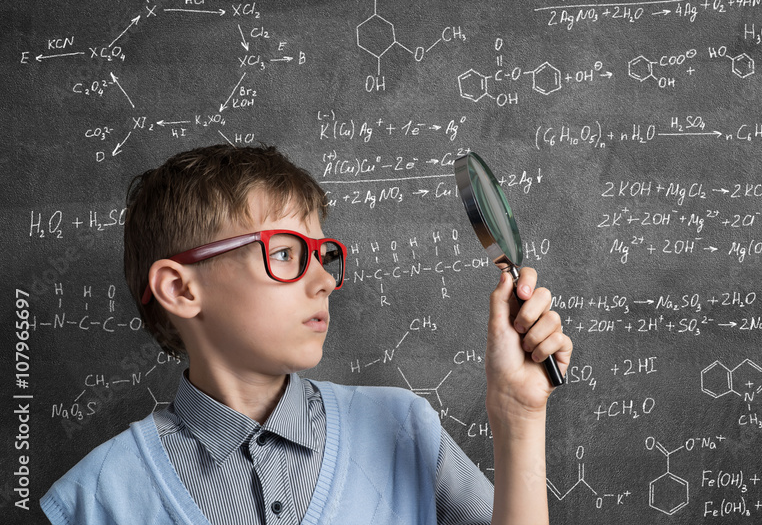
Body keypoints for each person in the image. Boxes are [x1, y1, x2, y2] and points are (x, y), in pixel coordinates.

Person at [41, 145, 572, 525]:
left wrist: (519, 416)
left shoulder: (404, 429)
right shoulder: (98, 498)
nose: (324, 281)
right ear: (180, 290)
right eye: (286, 253)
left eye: (323, 256)